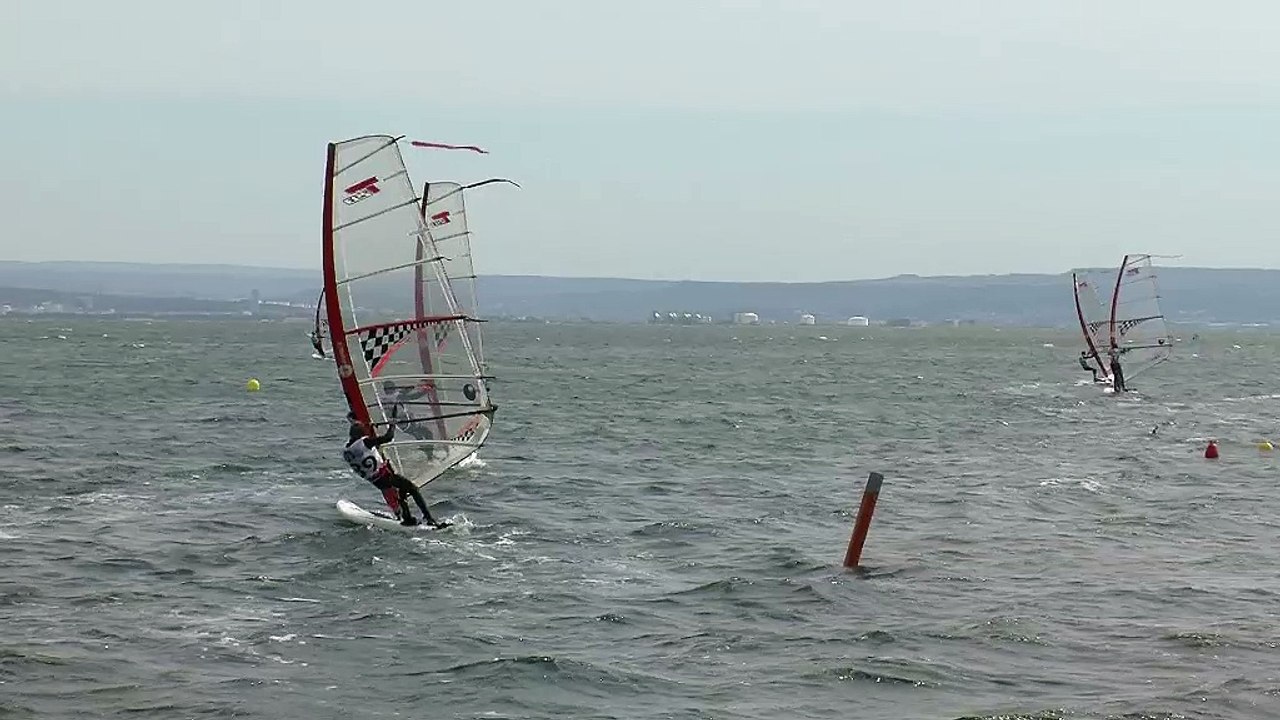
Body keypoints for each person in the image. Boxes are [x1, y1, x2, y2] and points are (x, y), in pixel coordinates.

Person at [343, 413, 445, 527]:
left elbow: (358, 436)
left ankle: (407, 518)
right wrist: (392, 425)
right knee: (413, 489)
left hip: (376, 480)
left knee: (403, 489)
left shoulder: (347, 450)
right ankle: (429, 518)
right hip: (384, 477)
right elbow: (388, 438)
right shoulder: (365, 443)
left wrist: (358, 425)